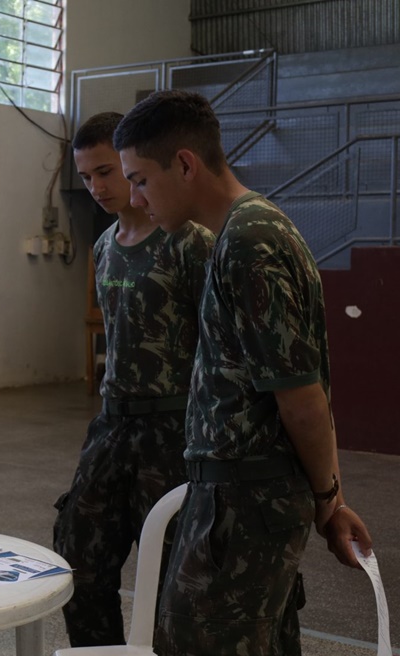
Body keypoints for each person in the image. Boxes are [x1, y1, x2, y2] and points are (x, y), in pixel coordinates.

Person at [113, 89, 373, 656]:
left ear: (185, 164)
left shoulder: (250, 241)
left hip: (244, 504)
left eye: (140, 179)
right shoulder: (246, 231)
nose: (133, 197)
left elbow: (301, 398)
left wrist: (329, 501)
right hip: (239, 497)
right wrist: (327, 499)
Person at [52, 112, 214, 647]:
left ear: (129, 164)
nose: (96, 187)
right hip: (112, 424)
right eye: (85, 177)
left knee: (171, 575)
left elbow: (217, 343)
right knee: (78, 560)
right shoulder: (104, 247)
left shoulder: (188, 241)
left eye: (105, 172)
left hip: (173, 429)